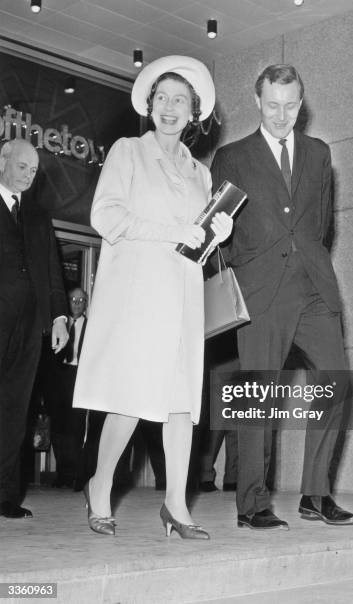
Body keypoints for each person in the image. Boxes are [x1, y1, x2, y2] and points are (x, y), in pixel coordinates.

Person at [73, 55, 232, 539]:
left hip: (183, 299)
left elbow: (193, 244)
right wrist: (173, 230)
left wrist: (214, 235)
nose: (169, 107)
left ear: (194, 113)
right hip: (139, 297)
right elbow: (107, 217)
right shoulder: (127, 152)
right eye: (161, 98)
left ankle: (176, 505)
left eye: (179, 100)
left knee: (183, 404)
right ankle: (99, 487)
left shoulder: (202, 176)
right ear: (150, 105)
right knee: (132, 398)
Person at [210, 64, 353, 530]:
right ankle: (252, 503)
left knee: (335, 382)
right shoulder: (233, 156)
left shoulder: (318, 153)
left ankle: (315, 495)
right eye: (272, 105)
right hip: (260, 289)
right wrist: (246, 266)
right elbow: (221, 231)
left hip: (314, 285)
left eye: (290, 105)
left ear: (301, 101)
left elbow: (321, 224)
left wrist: (307, 257)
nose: (281, 114)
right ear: (258, 101)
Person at [0, 138, 68, 519]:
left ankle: (5, 495)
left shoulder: (39, 215)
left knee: (15, 410)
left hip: (28, 329)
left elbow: (53, 271)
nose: (29, 176)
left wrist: (59, 317)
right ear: (3, 160)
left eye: (33, 171)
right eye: (23, 167)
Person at [50, 287, 88, 489]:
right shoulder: (57, 326)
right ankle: (62, 473)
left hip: (79, 379)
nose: (76, 303)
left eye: (81, 300)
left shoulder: (92, 327)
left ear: (86, 304)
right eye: (73, 299)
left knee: (76, 428)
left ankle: (75, 474)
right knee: (58, 428)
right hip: (59, 378)